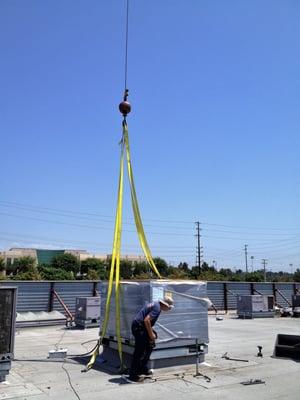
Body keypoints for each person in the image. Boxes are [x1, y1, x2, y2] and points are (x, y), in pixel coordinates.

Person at [127, 295, 174, 382]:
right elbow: (146, 320)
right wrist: (151, 334)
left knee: (150, 346)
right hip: (139, 328)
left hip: (140, 326)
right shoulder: (157, 308)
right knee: (139, 352)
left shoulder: (156, 305)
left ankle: (142, 368)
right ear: (165, 305)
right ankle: (133, 375)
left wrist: (152, 333)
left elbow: (146, 321)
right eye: (169, 308)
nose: (169, 310)